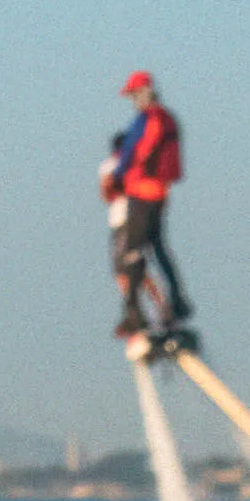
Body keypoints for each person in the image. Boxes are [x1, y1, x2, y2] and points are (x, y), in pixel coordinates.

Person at [102, 69, 188, 345]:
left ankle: (135, 314)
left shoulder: (149, 119)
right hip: (159, 194)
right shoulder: (166, 118)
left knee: (132, 253)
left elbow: (139, 151)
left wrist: (120, 176)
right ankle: (176, 302)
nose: (132, 101)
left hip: (143, 193)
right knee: (158, 249)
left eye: (132, 95)